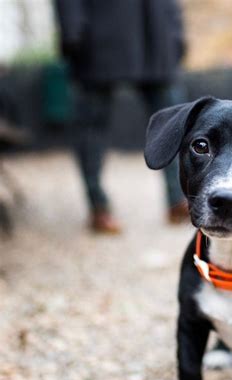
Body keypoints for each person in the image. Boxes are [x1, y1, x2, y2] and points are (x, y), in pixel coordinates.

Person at [54, 0, 188, 233]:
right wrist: (72, 32)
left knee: (175, 123)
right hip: (99, 36)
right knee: (91, 127)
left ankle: (178, 199)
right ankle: (98, 206)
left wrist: (176, 31)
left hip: (156, 34)